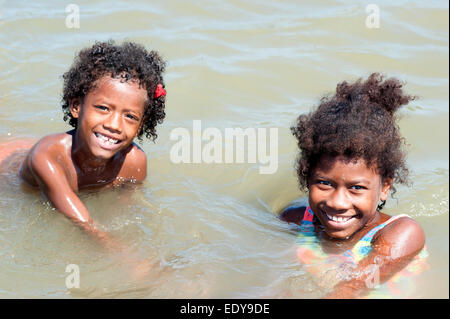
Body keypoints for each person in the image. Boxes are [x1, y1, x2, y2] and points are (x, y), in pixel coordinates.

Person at [1, 40, 167, 275]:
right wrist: (129, 258)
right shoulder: (46, 158)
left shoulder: (134, 163)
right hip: (6, 166)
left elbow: (126, 212)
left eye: (130, 116)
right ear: (77, 106)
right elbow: (84, 223)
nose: (114, 125)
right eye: (103, 108)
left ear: (141, 126)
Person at [280, 73, 427, 298]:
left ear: (385, 187)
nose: (338, 202)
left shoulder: (402, 233)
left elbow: (353, 288)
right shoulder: (297, 220)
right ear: (307, 178)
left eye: (356, 188)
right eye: (324, 183)